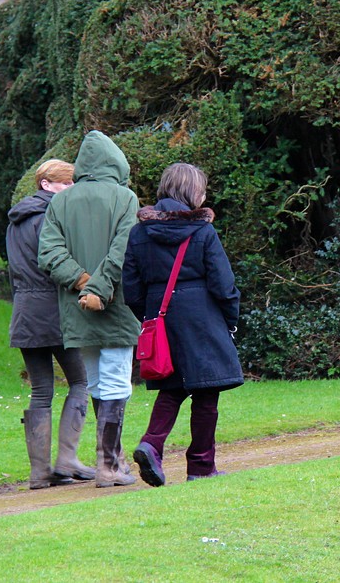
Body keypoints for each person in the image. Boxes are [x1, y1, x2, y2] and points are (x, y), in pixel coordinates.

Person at [123, 163, 242, 486]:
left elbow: (131, 289)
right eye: (201, 190)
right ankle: (201, 466)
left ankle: (151, 444)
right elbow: (223, 284)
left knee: (172, 388)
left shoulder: (139, 232)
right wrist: (230, 319)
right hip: (203, 318)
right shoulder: (203, 231)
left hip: (161, 318)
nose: (204, 196)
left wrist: (151, 320)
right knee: (206, 393)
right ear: (191, 192)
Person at [38, 131, 141, 488]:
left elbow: (48, 254)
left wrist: (83, 282)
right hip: (115, 306)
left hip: (77, 308)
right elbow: (124, 250)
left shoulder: (60, 202)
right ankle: (109, 465)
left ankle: (113, 460)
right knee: (115, 380)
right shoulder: (125, 197)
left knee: (98, 380)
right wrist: (98, 287)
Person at [6, 160, 95, 489]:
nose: (72, 189)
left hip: (25, 312)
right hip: (55, 311)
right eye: (67, 184)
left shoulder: (16, 221)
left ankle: (39, 472)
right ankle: (67, 459)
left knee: (42, 391)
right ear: (46, 184)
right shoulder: (51, 218)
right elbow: (57, 265)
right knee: (81, 382)